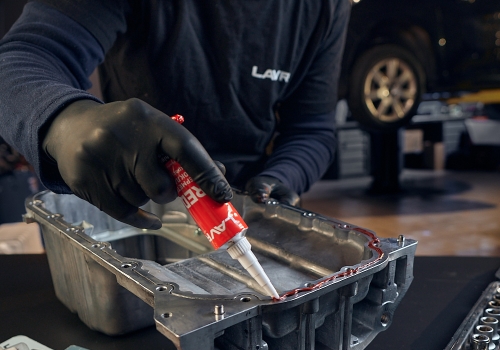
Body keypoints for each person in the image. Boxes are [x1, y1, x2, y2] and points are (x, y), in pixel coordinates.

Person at [0, 0, 350, 230]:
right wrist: (64, 120)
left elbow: (312, 129)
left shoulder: (324, 8)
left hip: (244, 211)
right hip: (142, 204)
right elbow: (19, 60)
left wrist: (281, 178)